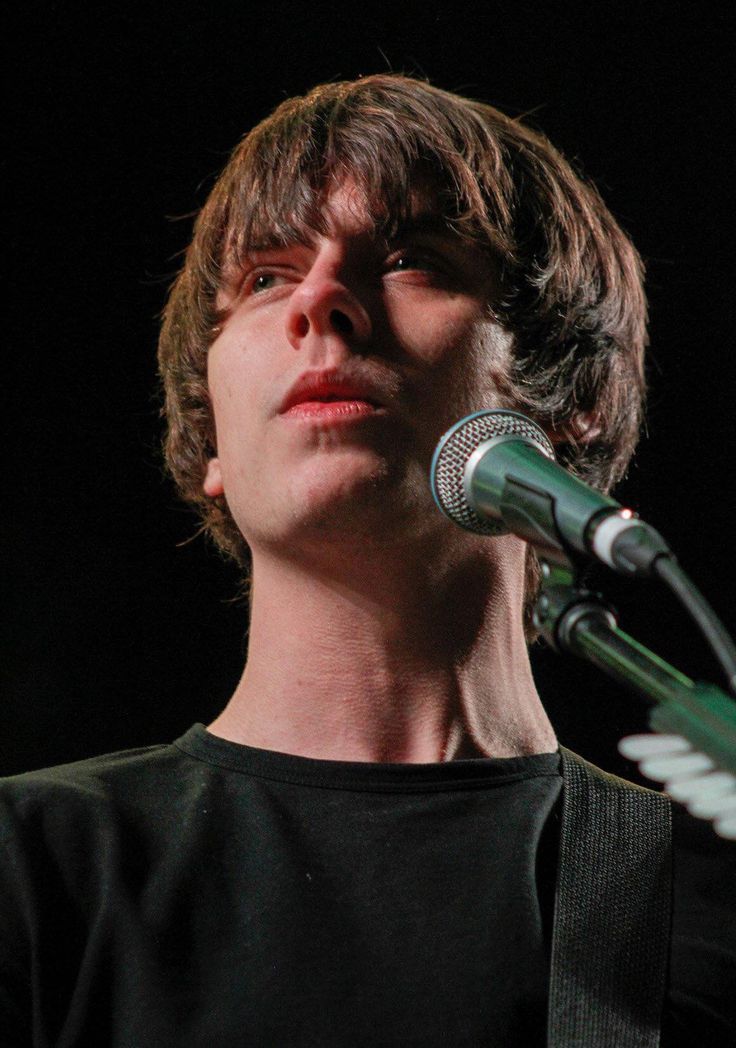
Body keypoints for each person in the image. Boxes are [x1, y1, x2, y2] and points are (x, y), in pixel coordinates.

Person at [1, 75, 732, 1046]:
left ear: (567, 401)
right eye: (264, 277)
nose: (320, 302)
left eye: (409, 258)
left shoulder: (696, 897)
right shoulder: (31, 866)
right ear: (209, 442)